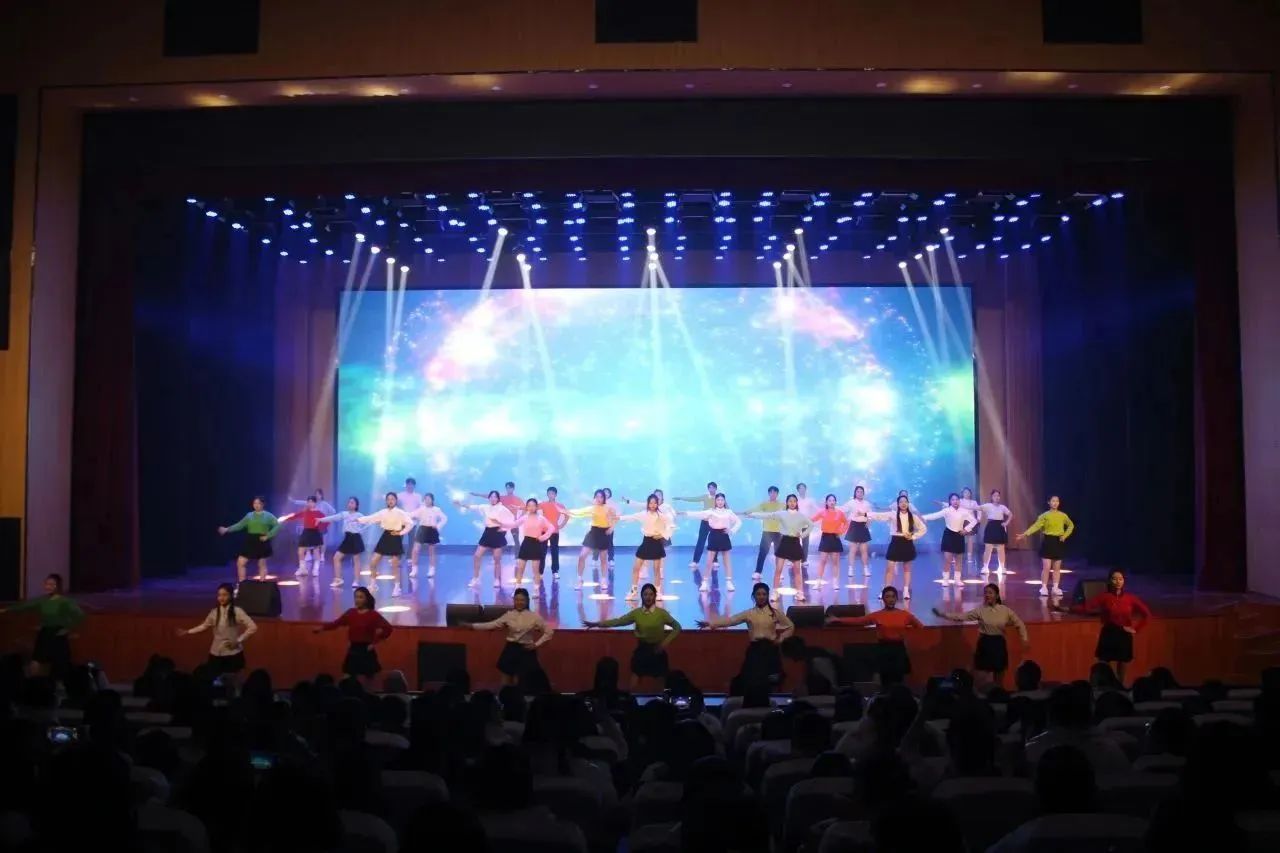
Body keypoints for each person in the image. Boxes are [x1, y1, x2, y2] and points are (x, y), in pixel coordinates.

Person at [1052, 568, 1150, 685]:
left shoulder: (1130, 598)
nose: (1118, 582)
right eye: (1114, 579)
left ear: (1124, 581)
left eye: (1120, 579)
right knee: (1104, 664)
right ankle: (1106, 686)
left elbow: (1147, 614)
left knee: (1123, 663)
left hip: (1124, 634)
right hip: (1109, 633)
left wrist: (1136, 629)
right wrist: (1067, 609)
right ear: (1109, 581)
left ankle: (1120, 686)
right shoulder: (1104, 597)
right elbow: (1086, 607)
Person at [697, 582, 795, 690]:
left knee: (772, 679)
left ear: (767, 595)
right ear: (754, 596)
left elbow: (790, 626)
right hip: (755, 650)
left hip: (770, 649)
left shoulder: (775, 613)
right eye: (758, 594)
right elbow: (731, 620)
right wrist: (710, 623)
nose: (761, 597)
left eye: (764, 594)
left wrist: (780, 639)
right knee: (750, 679)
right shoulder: (749, 613)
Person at [585, 583, 681, 689]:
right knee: (635, 675)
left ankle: (663, 699)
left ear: (655, 596)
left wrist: (664, 644)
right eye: (645, 594)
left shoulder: (662, 613)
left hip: (657, 651)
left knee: (661, 680)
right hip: (642, 651)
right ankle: (632, 698)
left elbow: (677, 627)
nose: (648, 597)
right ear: (641, 596)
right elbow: (618, 621)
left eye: (651, 594)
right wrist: (597, 624)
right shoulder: (636, 613)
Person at [933, 583, 1029, 688]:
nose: (987, 595)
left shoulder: (1005, 610)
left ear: (997, 595)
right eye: (985, 593)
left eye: (990, 593)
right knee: (982, 677)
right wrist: (942, 615)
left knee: (999, 678)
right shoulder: (980, 610)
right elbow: (962, 616)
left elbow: (1019, 623)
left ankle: (998, 694)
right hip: (985, 644)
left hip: (998, 644)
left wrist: (1024, 639)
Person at [826, 586, 922, 685]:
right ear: (883, 599)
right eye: (887, 596)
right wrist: (838, 619)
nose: (891, 599)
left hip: (899, 651)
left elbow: (921, 627)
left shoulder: (905, 615)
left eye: (893, 596)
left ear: (896, 598)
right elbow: (858, 621)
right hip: (883, 651)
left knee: (899, 682)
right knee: (885, 682)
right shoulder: (877, 615)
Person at [0, 573, 84, 678]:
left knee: (60, 664)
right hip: (44, 633)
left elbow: (80, 615)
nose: (48, 586)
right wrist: (6, 610)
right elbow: (25, 606)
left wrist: (67, 629)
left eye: (51, 584)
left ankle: (58, 684)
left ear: (58, 586)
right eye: (46, 584)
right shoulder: (42, 600)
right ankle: (34, 684)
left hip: (58, 635)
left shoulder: (64, 601)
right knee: (36, 662)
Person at [175, 582, 256, 685]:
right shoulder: (214, 612)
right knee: (213, 681)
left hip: (232, 653)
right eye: (219, 595)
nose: (221, 598)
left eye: (224, 595)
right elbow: (204, 626)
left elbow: (253, 627)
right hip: (216, 653)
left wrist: (238, 641)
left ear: (231, 596)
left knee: (232, 681)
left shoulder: (237, 612)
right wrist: (187, 631)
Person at [470, 588, 553, 685]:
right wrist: (472, 626)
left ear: (527, 601)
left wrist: (536, 644)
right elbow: (492, 624)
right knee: (506, 678)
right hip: (511, 649)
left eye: (522, 600)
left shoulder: (534, 617)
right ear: (513, 600)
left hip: (526, 651)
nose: (519, 602)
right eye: (517, 600)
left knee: (521, 681)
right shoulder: (509, 615)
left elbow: (549, 632)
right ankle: (505, 694)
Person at [313, 586, 392, 687]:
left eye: (361, 597)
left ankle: (368, 695)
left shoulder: (373, 615)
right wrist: (321, 628)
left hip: (366, 650)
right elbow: (336, 623)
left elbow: (388, 628)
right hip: (353, 649)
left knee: (368, 679)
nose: (357, 600)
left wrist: (375, 642)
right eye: (356, 597)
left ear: (366, 599)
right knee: (348, 676)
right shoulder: (351, 613)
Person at [743, 494, 814, 602]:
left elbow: (811, 525)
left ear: (796, 503)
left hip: (795, 543)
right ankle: (775, 592)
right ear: (787, 503)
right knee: (778, 570)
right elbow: (767, 515)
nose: (792, 503)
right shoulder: (782, 513)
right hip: (784, 542)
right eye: (790, 501)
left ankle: (800, 593)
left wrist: (802, 535)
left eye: (794, 501)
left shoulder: (800, 515)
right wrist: (753, 515)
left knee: (797, 571)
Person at [677, 492, 742, 593]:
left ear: (724, 501)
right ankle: (705, 582)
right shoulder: (711, 511)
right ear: (715, 501)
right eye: (718, 500)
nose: (720, 502)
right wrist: (684, 513)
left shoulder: (728, 512)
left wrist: (732, 530)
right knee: (709, 561)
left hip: (724, 536)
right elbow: (698, 514)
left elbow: (738, 522)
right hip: (714, 535)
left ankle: (729, 582)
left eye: (722, 500)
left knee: (727, 560)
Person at [867, 494, 928, 599]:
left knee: (907, 568)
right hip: (895, 542)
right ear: (898, 504)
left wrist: (913, 536)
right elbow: (879, 516)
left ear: (908, 503)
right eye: (901, 502)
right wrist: (865, 514)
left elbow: (923, 529)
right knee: (889, 568)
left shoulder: (913, 516)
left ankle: (906, 591)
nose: (903, 504)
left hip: (907, 543)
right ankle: (885, 590)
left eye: (905, 502)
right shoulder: (893, 514)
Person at [615, 494, 676, 599]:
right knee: (636, 568)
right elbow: (632, 517)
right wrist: (618, 518)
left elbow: (671, 526)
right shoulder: (644, 514)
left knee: (656, 569)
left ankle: (658, 592)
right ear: (648, 503)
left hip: (656, 542)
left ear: (657, 504)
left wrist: (662, 535)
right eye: (650, 503)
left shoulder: (662, 515)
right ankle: (633, 591)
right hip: (646, 542)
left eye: (655, 503)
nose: (653, 505)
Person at [455, 490, 517, 591]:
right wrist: (461, 504)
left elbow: (512, 520)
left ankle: (496, 579)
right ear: (489, 498)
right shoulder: (485, 507)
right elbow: (472, 507)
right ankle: (476, 578)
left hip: (497, 533)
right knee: (477, 555)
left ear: (498, 498)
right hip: (487, 532)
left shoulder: (502, 509)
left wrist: (503, 528)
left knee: (497, 558)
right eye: (491, 497)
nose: (493, 499)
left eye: (495, 497)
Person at [1016, 495, 1075, 597]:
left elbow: (1071, 525)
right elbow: (1036, 526)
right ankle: (1043, 587)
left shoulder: (1063, 515)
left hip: (1058, 542)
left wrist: (1065, 535)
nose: (1055, 503)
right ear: (1049, 502)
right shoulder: (1044, 515)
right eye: (1053, 501)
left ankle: (1055, 588)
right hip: (1048, 541)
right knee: (1046, 567)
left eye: (1057, 501)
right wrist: (1025, 534)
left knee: (1057, 567)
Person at [357, 492, 414, 597]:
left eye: (392, 499)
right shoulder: (383, 512)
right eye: (388, 499)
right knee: (373, 562)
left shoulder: (400, 513)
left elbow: (410, 523)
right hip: (385, 537)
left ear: (396, 500)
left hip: (395, 537)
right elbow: (371, 518)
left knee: (395, 565)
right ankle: (373, 584)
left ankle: (397, 587)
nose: (390, 501)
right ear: (386, 501)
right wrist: (358, 520)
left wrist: (401, 533)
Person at [217, 496, 281, 583]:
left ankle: (262, 584)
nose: (256, 505)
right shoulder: (249, 515)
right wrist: (227, 529)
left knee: (261, 564)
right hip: (251, 541)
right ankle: (242, 584)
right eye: (255, 503)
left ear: (263, 504)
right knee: (241, 562)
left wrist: (268, 535)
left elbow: (277, 525)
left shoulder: (268, 516)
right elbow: (239, 525)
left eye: (258, 503)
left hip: (262, 540)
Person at [921, 493, 977, 586]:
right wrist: (922, 517)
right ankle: (945, 579)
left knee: (959, 558)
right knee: (948, 559)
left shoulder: (964, 511)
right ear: (950, 501)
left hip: (959, 535)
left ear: (959, 501)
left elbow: (974, 521)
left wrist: (966, 529)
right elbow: (935, 515)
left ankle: (957, 579)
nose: (955, 501)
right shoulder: (947, 510)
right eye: (953, 500)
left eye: (957, 499)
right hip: (949, 535)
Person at [566, 490, 617, 592]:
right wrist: (566, 511)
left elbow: (614, 518)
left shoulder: (608, 508)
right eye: (597, 497)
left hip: (603, 533)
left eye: (601, 497)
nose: (599, 499)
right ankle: (579, 580)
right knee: (582, 556)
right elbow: (579, 512)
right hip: (593, 533)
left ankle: (603, 580)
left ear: (604, 498)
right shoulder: (592, 508)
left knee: (603, 559)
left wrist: (611, 528)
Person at [508, 498, 556, 594]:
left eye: (533, 505)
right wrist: (501, 524)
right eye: (529, 506)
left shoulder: (541, 518)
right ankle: (517, 588)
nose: (531, 507)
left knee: (535, 570)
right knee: (520, 568)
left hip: (536, 544)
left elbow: (551, 528)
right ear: (526, 507)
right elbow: (514, 524)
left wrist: (543, 537)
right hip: (526, 543)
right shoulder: (524, 517)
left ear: (537, 507)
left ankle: (536, 590)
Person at [318, 497, 368, 588]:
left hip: (356, 538)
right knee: (336, 558)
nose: (350, 504)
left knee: (356, 560)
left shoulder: (359, 515)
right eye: (349, 502)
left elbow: (367, 522)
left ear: (356, 505)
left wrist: (361, 531)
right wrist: (321, 519)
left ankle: (356, 581)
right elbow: (333, 518)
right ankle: (338, 579)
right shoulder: (344, 514)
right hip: (347, 538)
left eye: (352, 503)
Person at [278, 496, 328, 578]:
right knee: (300, 551)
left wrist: (320, 527)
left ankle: (316, 569)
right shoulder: (305, 512)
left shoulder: (319, 513)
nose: (310, 503)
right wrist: (284, 518)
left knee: (316, 551)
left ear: (315, 503)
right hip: (306, 532)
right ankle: (302, 569)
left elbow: (326, 522)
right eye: (308, 502)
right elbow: (295, 516)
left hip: (315, 533)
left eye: (311, 502)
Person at [674, 481, 719, 570]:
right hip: (705, 522)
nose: (711, 489)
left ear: (715, 489)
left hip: (715, 523)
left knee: (714, 541)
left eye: (713, 488)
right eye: (709, 488)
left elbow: (727, 508)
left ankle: (715, 560)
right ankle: (695, 561)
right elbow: (693, 499)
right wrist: (681, 498)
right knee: (701, 541)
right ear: (708, 489)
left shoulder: (719, 498)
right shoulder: (705, 497)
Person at [743, 486, 784, 581]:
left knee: (779, 554)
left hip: (778, 532)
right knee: (762, 552)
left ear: (777, 494)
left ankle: (779, 573)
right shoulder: (765, 504)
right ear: (769, 493)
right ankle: (758, 572)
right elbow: (756, 508)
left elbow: (789, 512)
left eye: (775, 492)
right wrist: (747, 512)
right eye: (771, 492)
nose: (773, 494)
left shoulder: (782, 504)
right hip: (767, 532)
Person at [810, 493, 850, 586]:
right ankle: (818, 581)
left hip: (835, 538)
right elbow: (812, 519)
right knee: (823, 561)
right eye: (829, 500)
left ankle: (835, 582)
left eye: (833, 500)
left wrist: (841, 531)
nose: (832, 502)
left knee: (835, 561)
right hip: (825, 537)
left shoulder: (840, 513)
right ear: (826, 502)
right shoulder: (822, 512)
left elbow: (846, 523)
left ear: (835, 502)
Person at [471, 481, 523, 549]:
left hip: (513, 522)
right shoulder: (502, 498)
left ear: (513, 488)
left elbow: (525, 508)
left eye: (510, 488)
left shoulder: (517, 499)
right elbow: (488, 496)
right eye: (507, 488)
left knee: (516, 540)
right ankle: (497, 551)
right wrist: (477, 494)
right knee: (498, 539)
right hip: (503, 523)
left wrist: (519, 518)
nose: (508, 489)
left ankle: (518, 555)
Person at [408, 492, 448, 579]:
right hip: (422, 529)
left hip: (432, 530)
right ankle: (414, 569)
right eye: (425, 499)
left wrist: (438, 526)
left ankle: (431, 570)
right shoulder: (421, 509)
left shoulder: (437, 509)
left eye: (428, 499)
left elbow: (444, 518)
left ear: (432, 500)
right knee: (415, 550)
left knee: (431, 551)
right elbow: (411, 515)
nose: (427, 500)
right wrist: (404, 515)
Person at [842, 484, 874, 578]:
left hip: (863, 526)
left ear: (863, 493)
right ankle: (851, 569)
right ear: (855, 493)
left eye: (861, 492)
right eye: (858, 492)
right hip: (854, 526)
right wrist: (847, 521)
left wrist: (869, 521)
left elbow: (870, 515)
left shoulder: (867, 504)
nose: (859, 493)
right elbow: (842, 510)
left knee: (864, 550)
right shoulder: (850, 503)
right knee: (853, 550)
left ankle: (865, 569)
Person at [978, 489, 1013, 574]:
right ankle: (985, 567)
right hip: (991, 527)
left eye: (998, 496)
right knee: (988, 548)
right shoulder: (988, 505)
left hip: (999, 527)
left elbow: (1010, 514)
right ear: (991, 497)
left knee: (1001, 549)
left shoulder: (1002, 507)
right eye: (995, 495)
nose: (997, 497)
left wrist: (1006, 523)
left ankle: (1002, 567)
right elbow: (977, 508)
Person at [539, 487, 569, 580]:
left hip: (554, 531)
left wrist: (561, 525)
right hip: (544, 531)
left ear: (555, 495)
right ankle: (540, 572)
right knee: (542, 551)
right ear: (547, 494)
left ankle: (555, 571)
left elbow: (567, 516)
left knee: (554, 551)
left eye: (552, 493)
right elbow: (532, 507)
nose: (550, 495)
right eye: (549, 493)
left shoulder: (560, 506)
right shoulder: (543, 504)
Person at [795, 482, 819, 567]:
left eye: (803, 488)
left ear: (806, 489)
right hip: (796, 524)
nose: (802, 490)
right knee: (794, 542)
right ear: (798, 490)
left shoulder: (810, 500)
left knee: (805, 543)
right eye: (800, 488)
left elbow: (817, 509)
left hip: (806, 524)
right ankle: (793, 559)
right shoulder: (795, 500)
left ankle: (804, 560)